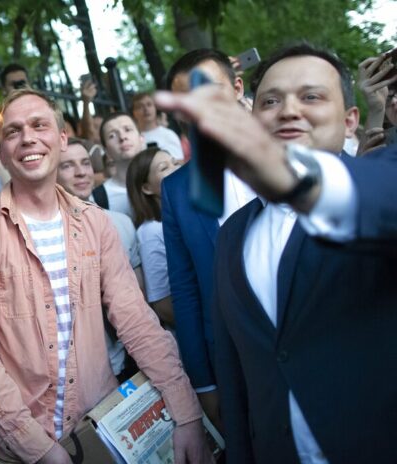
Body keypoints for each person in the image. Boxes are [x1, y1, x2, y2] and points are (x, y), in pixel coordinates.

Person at [155, 43, 397, 464]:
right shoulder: (234, 235)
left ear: (350, 119)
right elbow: (229, 351)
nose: (288, 110)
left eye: (311, 96)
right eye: (272, 100)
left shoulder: (372, 194)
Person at [0, 88, 211, 464]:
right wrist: (42, 452)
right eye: (13, 132)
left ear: (62, 138)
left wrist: (186, 410)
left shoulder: (94, 223)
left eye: (39, 125)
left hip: (101, 429)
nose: (28, 138)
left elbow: (136, 321)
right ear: (2, 150)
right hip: (24, 449)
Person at [159, 49, 257, 430]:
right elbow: (184, 291)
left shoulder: (290, 156)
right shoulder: (176, 190)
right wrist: (205, 383)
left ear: (236, 87)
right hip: (231, 367)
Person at [55, 136, 142, 378]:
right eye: (67, 165)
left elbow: (140, 298)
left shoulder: (121, 223)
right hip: (81, 373)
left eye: (85, 163)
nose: (81, 172)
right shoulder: (47, 236)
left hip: (130, 359)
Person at [125, 147, 181, 327]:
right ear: (147, 188)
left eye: (175, 162)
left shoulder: (186, 218)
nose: (176, 168)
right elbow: (163, 305)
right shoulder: (151, 231)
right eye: (164, 168)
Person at [94, 112, 146, 217]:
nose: (122, 137)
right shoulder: (98, 199)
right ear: (106, 150)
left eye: (128, 130)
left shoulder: (164, 181)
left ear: (142, 138)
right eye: (112, 135)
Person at [131, 92, 184, 160]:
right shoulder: (132, 139)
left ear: (155, 108)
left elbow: (179, 162)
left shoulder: (168, 134)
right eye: (140, 106)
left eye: (149, 104)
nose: (146, 109)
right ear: (134, 112)